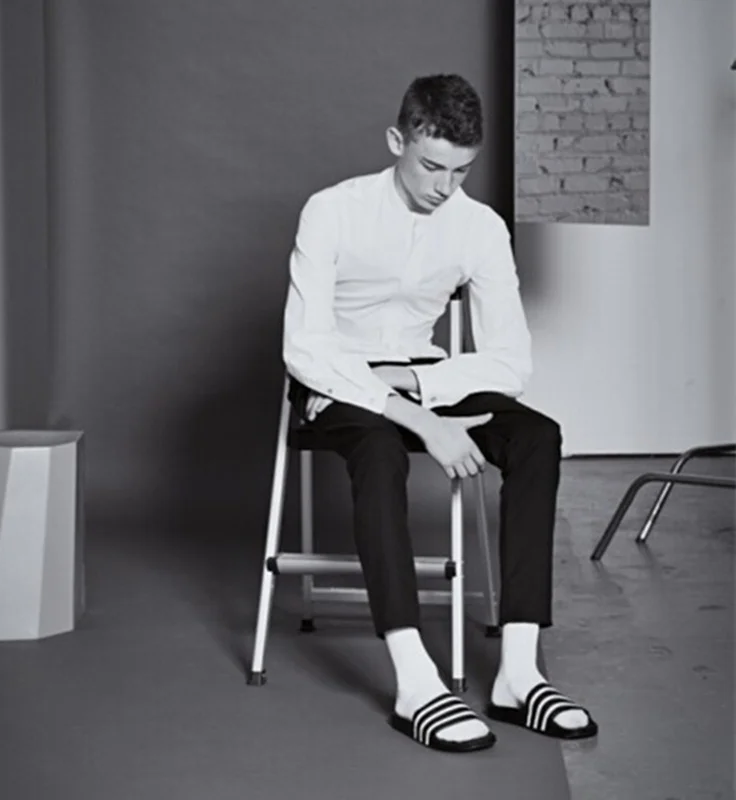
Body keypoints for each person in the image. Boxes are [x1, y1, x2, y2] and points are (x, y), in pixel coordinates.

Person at [282, 73, 597, 752]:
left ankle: (518, 673)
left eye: (460, 171)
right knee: (378, 448)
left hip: (426, 375)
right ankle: (415, 680)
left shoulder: (479, 227)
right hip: (339, 385)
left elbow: (510, 362)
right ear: (397, 141)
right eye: (431, 166)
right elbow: (305, 349)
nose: (444, 186)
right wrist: (419, 419)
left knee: (538, 436)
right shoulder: (331, 210)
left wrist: (418, 387)